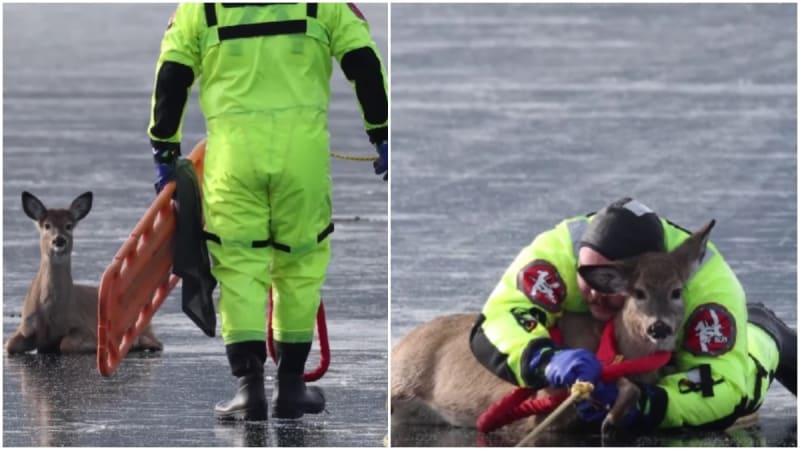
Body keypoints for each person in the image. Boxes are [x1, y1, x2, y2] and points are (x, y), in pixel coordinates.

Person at [147, 3, 388, 421]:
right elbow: (362, 62)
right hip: (302, 159)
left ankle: (249, 389)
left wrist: (165, 148)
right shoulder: (324, 5)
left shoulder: (201, 9)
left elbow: (172, 76)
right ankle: (292, 387)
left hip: (233, 161)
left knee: (240, 266)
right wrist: (382, 133)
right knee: (300, 265)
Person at [470, 197, 796, 430]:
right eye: (592, 278)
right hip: (617, 337)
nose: (596, 293)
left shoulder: (708, 285)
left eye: (610, 284)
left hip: (701, 343)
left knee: (755, 352)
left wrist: (648, 404)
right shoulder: (559, 253)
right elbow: (502, 317)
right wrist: (546, 360)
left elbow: (723, 385)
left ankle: (768, 331)